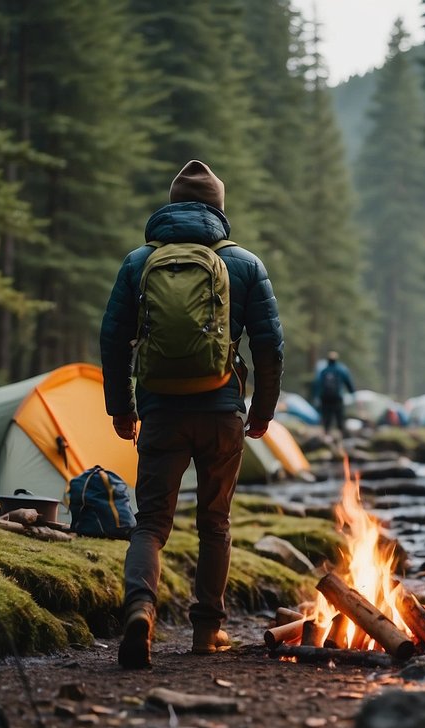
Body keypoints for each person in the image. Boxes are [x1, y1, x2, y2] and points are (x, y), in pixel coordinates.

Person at [100, 160, 283, 669]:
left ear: (174, 204)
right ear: (219, 210)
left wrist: (121, 407)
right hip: (222, 409)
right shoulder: (244, 264)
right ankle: (207, 632)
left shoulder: (139, 262)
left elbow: (114, 339)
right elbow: (269, 346)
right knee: (215, 521)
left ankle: (140, 610)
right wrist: (261, 412)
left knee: (152, 523)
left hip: (160, 411)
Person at [312, 351, 355, 438]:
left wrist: (316, 396)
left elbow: (317, 384)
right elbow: (347, 381)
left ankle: (326, 434)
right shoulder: (340, 370)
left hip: (325, 398)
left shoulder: (324, 371)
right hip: (337, 397)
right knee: (339, 416)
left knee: (326, 416)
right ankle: (342, 435)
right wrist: (352, 392)